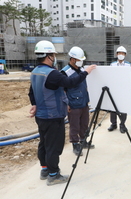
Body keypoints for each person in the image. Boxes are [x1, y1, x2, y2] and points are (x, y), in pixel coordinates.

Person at [28, 40, 95, 186]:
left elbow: (31, 92)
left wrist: (34, 104)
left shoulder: (35, 71)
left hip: (41, 116)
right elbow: (70, 83)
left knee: (44, 143)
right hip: (53, 115)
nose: (54, 57)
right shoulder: (52, 74)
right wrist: (86, 72)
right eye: (53, 54)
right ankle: (54, 174)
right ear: (48, 56)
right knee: (54, 146)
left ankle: (44, 170)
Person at [61, 46, 95, 157]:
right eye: (79, 59)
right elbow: (62, 90)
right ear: (72, 59)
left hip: (84, 102)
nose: (81, 62)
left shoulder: (81, 70)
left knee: (84, 124)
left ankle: (83, 141)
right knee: (74, 125)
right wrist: (66, 103)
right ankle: (75, 144)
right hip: (73, 104)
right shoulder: (65, 72)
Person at [107, 46, 131, 133]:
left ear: (125, 55)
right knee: (113, 107)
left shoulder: (129, 65)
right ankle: (113, 124)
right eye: (119, 53)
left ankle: (122, 124)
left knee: (123, 108)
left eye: (122, 53)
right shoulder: (112, 64)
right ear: (116, 54)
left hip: (124, 89)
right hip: (114, 89)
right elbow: (110, 76)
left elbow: (130, 78)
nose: (121, 55)